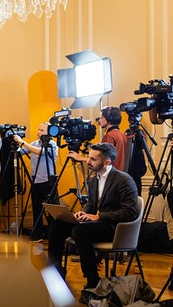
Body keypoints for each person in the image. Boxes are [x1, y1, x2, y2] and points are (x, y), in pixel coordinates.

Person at [48, 142, 138, 289]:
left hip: (115, 228)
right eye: (88, 157)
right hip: (96, 225)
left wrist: (99, 217)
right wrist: (83, 213)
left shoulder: (124, 180)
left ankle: (92, 280)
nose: (88, 162)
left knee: (79, 231)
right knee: (57, 224)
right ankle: (56, 271)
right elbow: (91, 206)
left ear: (107, 162)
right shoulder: (93, 180)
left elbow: (129, 213)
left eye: (93, 159)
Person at [13, 122, 58, 240]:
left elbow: (40, 152)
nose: (39, 132)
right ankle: (37, 234)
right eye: (38, 129)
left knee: (52, 209)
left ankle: (55, 235)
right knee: (36, 209)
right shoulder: (34, 143)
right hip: (35, 181)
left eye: (42, 130)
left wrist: (23, 142)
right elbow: (20, 152)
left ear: (49, 132)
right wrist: (15, 144)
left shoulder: (52, 145)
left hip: (48, 181)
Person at [68, 107, 127, 171]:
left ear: (108, 120)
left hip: (111, 176)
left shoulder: (109, 136)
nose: (99, 120)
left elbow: (101, 160)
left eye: (101, 118)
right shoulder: (122, 135)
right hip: (120, 174)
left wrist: (80, 158)